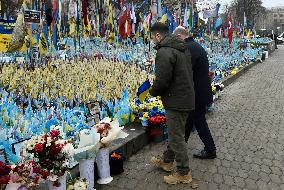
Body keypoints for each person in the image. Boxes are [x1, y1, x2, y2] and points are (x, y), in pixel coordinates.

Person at [149, 22, 195, 184]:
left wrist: (152, 92)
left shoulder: (165, 51)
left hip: (176, 100)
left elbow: (162, 80)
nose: (153, 41)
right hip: (185, 97)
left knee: (176, 137)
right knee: (176, 133)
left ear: (158, 36)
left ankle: (183, 173)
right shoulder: (181, 47)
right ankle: (167, 162)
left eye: (153, 37)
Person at [173, 26, 217, 159]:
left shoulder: (189, 49)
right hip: (200, 92)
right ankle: (180, 146)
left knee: (199, 121)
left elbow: (185, 73)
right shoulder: (195, 46)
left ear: (180, 36)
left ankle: (210, 150)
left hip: (196, 94)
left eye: (176, 39)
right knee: (189, 121)